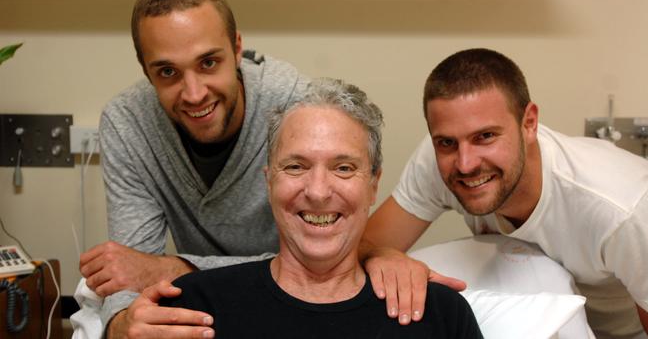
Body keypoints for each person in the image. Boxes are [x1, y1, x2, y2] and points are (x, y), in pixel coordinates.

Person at [74, 0, 434, 337]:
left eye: (209, 63)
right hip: (209, 307)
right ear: (145, 71)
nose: (194, 93)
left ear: (236, 48)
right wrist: (119, 326)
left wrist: (174, 267)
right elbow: (128, 273)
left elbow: (324, 251)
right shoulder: (128, 124)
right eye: (167, 72)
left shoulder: (294, 107)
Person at [158, 77, 483, 338]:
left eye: (343, 168)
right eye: (296, 166)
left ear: (373, 185)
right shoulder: (193, 310)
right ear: (269, 182)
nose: (317, 191)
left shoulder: (439, 315)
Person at [361, 48, 648, 338]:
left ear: (529, 124)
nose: (465, 163)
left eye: (485, 137)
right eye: (446, 142)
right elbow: (362, 245)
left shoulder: (622, 209)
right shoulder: (439, 161)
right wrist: (383, 255)